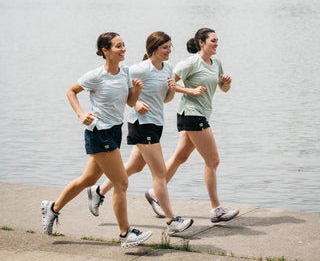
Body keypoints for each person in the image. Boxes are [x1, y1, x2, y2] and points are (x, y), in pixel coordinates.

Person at [41, 32, 152, 249]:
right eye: (118, 46)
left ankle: (52, 208)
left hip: (115, 131)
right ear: (105, 50)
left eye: (124, 45)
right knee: (121, 182)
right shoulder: (95, 76)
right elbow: (71, 92)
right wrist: (81, 114)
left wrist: (137, 91)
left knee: (88, 180)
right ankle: (125, 234)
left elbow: (130, 103)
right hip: (99, 132)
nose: (123, 49)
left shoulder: (125, 73)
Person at [86, 31, 194, 235]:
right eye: (165, 47)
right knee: (160, 173)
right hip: (141, 123)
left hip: (156, 123)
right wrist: (137, 101)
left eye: (170, 46)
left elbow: (166, 100)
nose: (169, 51)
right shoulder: (140, 69)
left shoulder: (168, 68)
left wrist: (172, 89)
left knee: (134, 166)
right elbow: (121, 84)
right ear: (153, 49)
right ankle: (172, 221)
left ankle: (98, 191)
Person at [145, 28, 239, 224]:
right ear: (201, 42)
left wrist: (227, 83)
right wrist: (192, 91)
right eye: (213, 40)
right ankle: (216, 209)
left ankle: (155, 193)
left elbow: (223, 88)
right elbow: (168, 83)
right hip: (191, 114)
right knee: (213, 161)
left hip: (201, 113)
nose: (216, 43)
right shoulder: (190, 63)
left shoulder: (216, 62)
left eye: (217, 40)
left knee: (181, 156)